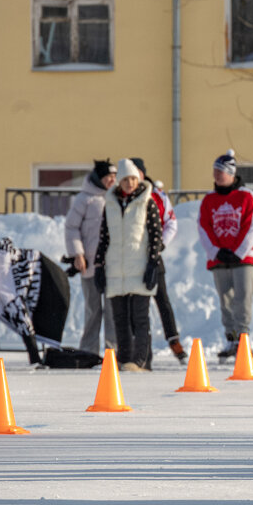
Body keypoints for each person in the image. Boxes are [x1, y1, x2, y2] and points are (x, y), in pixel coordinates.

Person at [93, 159, 162, 372]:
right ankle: (124, 359)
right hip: (116, 270)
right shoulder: (111, 204)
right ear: (119, 182)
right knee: (119, 318)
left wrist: (153, 264)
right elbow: (103, 237)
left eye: (133, 178)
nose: (130, 183)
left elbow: (155, 235)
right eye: (125, 179)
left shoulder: (147, 202)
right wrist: (99, 266)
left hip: (139, 267)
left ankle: (141, 360)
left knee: (140, 318)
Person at [198, 150, 253, 360]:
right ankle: (231, 339)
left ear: (232, 174)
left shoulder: (247, 197)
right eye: (215, 171)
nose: (217, 175)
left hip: (243, 259)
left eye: (222, 171)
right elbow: (203, 227)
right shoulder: (209, 200)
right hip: (219, 259)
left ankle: (243, 340)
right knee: (225, 300)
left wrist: (239, 251)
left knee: (243, 298)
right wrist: (216, 251)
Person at [0, 238, 72, 368]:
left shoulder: (0, 276)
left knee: (23, 319)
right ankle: (37, 356)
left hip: (42, 279)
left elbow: (23, 321)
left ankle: (36, 356)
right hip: (48, 276)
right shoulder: (7, 274)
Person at [132, 158, 185, 365]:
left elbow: (171, 223)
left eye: (137, 172)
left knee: (162, 300)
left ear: (143, 174)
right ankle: (144, 350)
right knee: (139, 306)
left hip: (153, 257)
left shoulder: (157, 195)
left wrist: (159, 245)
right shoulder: (125, 196)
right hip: (133, 258)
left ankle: (174, 342)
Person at [64, 160, 118, 356]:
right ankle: (88, 350)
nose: (111, 180)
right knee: (93, 309)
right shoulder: (84, 199)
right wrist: (77, 254)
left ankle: (112, 350)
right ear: (98, 178)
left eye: (114, 177)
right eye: (107, 177)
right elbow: (71, 228)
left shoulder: (116, 197)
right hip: (89, 263)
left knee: (113, 310)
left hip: (112, 264)